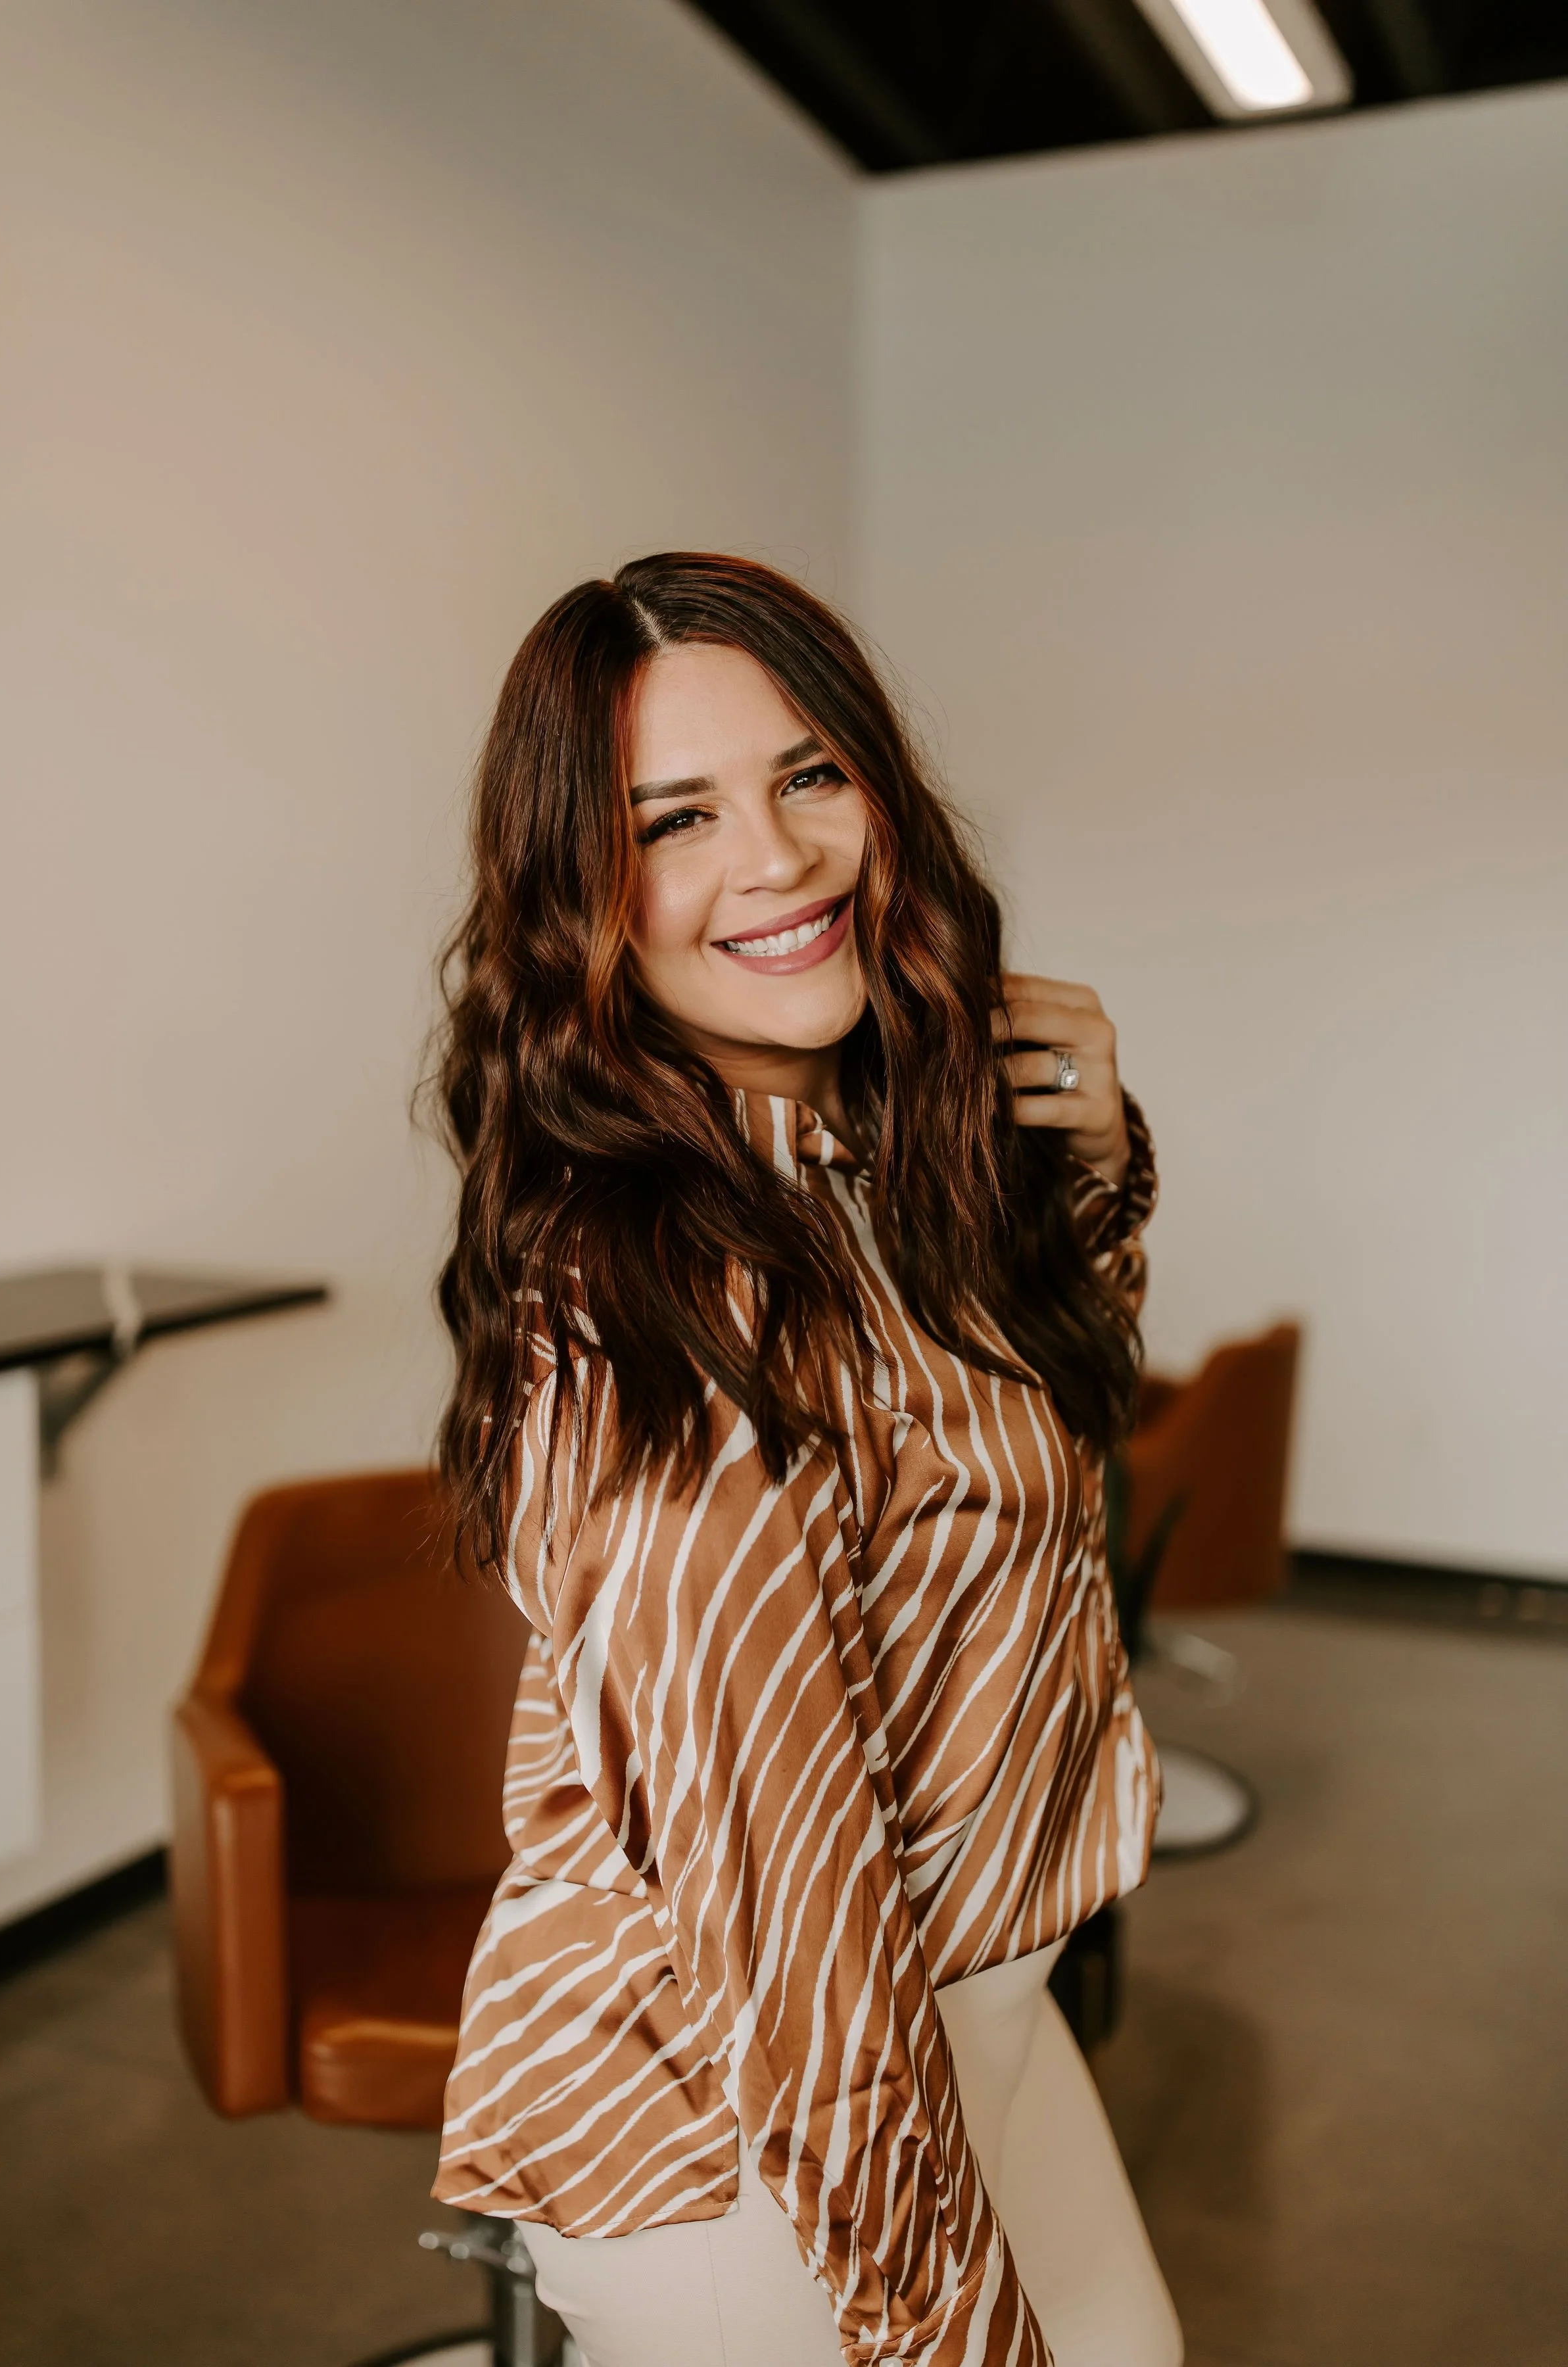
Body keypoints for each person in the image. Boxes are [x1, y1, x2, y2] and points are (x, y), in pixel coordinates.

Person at [429, 553, 1181, 2367]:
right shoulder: (657, 1316)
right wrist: (941, 2326)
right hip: (750, 2137)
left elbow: (1023, 1485)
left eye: (811, 775)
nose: (778, 860)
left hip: (979, 2022)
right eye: (671, 819)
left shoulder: (848, 1163)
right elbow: (800, 1931)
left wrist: (1075, 1175)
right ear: (579, 901)